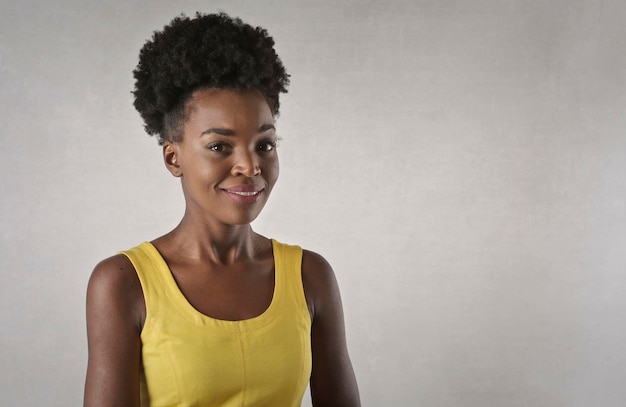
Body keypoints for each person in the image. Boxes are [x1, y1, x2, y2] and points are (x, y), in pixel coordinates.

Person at [83, 12, 360, 407]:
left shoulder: (310, 276)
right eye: (219, 146)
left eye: (264, 145)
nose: (250, 166)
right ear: (173, 158)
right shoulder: (123, 284)